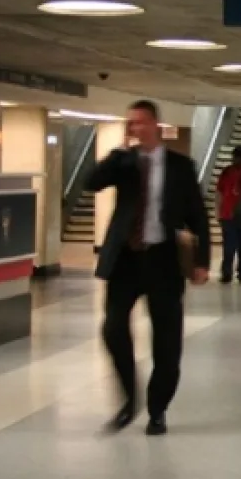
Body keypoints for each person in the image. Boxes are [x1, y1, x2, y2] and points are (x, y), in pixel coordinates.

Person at [85, 99, 210, 436]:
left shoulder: (181, 166)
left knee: (167, 342)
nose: (135, 128)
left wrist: (202, 261)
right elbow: (91, 182)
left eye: (140, 122)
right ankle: (130, 398)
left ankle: (158, 409)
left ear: (156, 124)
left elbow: (198, 215)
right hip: (125, 259)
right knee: (113, 328)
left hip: (164, 260)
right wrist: (117, 153)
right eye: (131, 123)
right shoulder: (124, 162)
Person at [216, 145, 241, 284]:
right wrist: (217, 211)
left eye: (239, 158)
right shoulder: (226, 172)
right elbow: (219, 192)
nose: (236, 161)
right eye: (234, 158)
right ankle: (226, 273)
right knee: (228, 247)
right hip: (228, 215)